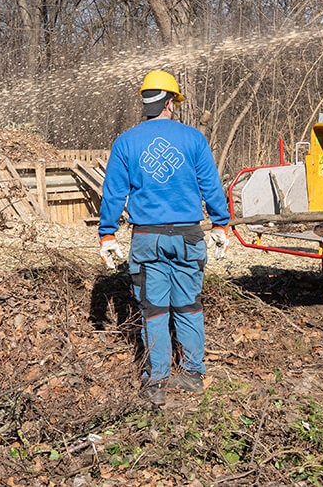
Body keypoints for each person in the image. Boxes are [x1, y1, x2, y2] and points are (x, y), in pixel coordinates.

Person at [98, 70, 230, 405]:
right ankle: (192, 375)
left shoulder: (126, 142)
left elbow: (113, 193)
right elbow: (211, 185)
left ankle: (156, 381)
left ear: (146, 102)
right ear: (170, 102)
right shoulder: (193, 139)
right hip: (188, 237)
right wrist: (221, 224)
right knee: (188, 305)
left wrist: (107, 234)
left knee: (154, 310)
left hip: (148, 238)